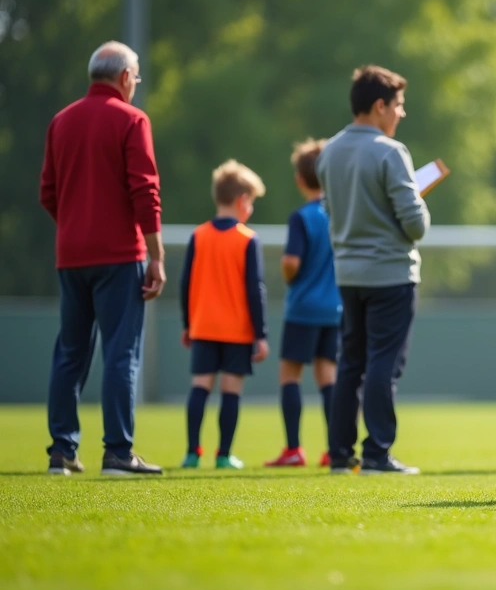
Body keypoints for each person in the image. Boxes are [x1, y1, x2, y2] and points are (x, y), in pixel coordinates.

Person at [40, 41, 165, 476]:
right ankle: (117, 453)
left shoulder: (61, 121)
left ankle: (61, 451)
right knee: (120, 353)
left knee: (70, 352)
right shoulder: (132, 119)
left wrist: (75, 227)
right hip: (118, 255)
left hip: (71, 256)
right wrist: (156, 254)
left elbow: (48, 193)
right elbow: (144, 190)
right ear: (126, 78)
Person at [317, 65, 430, 475]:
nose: (401, 113)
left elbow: (329, 210)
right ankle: (379, 453)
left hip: (348, 274)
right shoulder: (389, 152)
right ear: (379, 106)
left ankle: (340, 452)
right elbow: (415, 224)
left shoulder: (328, 150)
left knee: (350, 362)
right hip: (391, 273)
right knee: (385, 363)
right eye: (398, 105)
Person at [180, 160, 270, 470]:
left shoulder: (198, 235)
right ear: (242, 200)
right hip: (237, 330)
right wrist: (261, 334)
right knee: (231, 391)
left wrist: (187, 323)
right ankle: (223, 455)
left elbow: (185, 284)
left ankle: (192, 452)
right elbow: (255, 290)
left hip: (203, 326)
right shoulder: (247, 239)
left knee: (200, 387)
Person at [265, 139, 343, 468]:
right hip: (335, 308)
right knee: (328, 377)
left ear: (299, 179)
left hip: (303, 308)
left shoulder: (303, 217)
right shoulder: (341, 214)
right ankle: (333, 448)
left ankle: (294, 449)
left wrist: (286, 273)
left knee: (290, 375)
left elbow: (291, 263)